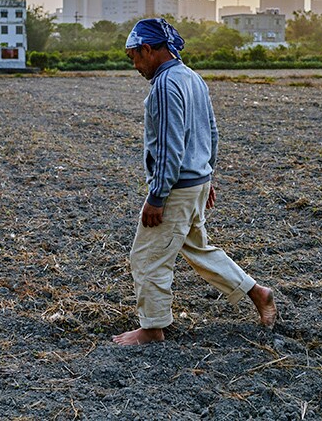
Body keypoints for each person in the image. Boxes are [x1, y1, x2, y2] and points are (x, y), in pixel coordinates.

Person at [113, 18, 278, 346]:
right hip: (195, 181)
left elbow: (169, 144)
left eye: (134, 56)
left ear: (148, 49)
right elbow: (211, 133)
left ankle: (152, 328)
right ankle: (258, 293)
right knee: (198, 248)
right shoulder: (193, 79)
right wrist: (207, 176)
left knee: (147, 256)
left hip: (177, 187)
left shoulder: (164, 85)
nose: (134, 64)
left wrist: (157, 196)